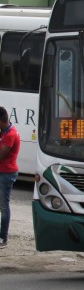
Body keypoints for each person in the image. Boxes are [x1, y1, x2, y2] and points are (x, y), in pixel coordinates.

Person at [0, 106, 20, 249]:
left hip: (6, 174)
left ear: (1, 122)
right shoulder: (4, 132)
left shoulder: (11, 135)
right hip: (3, 172)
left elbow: (1, 155)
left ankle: (3, 238)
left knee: (4, 207)